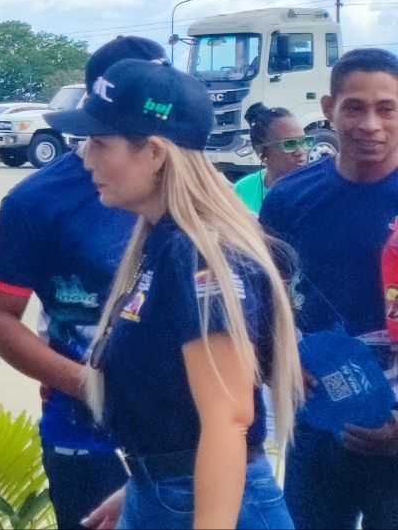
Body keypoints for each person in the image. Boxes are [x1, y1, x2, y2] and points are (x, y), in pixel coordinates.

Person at [48, 58, 302, 529]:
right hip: (165, 491)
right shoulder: (163, 242)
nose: (86, 158)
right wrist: (142, 488)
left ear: (154, 153)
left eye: (100, 142)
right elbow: (176, 411)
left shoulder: (199, 253)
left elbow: (228, 420)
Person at [0, 36, 166, 530]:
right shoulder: (36, 201)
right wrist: (88, 385)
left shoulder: (191, 193)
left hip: (184, 440)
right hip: (88, 440)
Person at [261, 48, 398, 529]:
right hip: (316, 425)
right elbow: (264, 300)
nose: (371, 124)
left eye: (387, 108)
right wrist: (280, 364)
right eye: (354, 107)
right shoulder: (289, 198)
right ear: (328, 109)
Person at [231, 104, 310, 213]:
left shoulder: (317, 188)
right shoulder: (243, 190)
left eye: (304, 141)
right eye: (289, 144)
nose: (300, 151)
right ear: (261, 151)